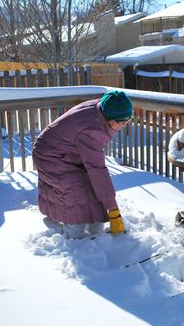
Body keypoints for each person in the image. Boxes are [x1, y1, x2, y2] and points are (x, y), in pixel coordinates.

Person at [32, 90, 133, 239]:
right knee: (75, 194)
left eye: (128, 119)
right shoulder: (92, 131)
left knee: (91, 191)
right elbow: (98, 170)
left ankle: (95, 233)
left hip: (68, 153)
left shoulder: (103, 107)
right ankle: (69, 235)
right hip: (50, 155)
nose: (124, 124)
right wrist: (113, 210)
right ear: (108, 117)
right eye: (120, 121)